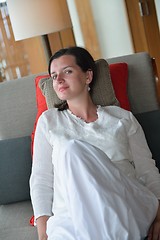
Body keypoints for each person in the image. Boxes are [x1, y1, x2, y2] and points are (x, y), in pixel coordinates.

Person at [30, 46, 160, 240]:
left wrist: (158, 217)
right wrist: (43, 231)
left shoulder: (122, 118)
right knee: (70, 150)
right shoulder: (49, 121)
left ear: (88, 76)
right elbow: (41, 178)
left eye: (67, 71)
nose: (58, 80)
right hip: (72, 215)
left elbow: (146, 169)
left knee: (71, 149)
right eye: (54, 75)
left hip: (127, 206)